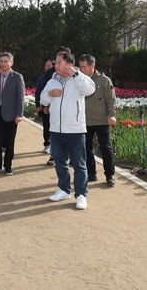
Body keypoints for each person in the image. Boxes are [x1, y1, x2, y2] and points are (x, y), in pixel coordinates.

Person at [40, 52, 95, 210]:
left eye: (59, 63)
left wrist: (76, 74)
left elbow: (89, 90)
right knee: (60, 162)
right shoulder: (52, 81)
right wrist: (50, 94)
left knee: (79, 164)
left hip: (76, 130)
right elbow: (43, 100)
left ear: (69, 64)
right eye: (56, 63)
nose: (56, 66)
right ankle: (64, 190)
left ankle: (81, 195)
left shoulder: (80, 78)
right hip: (56, 130)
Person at [79, 54, 117, 186]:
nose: (82, 69)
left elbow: (111, 100)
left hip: (101, 121)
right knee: (86, 148)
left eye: (84, 67)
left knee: (105, 148)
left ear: (92, 66)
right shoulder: (78, 80)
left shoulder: (104, 80)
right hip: (85, 121)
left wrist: (111, 115)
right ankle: (91, 173)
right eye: (80, 67)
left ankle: (110, 175)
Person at [0, 52, 25, 176]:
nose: (3, 64)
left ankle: (8, 165)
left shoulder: (17, 77)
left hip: (11, 114)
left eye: (5, 61)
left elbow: (20, 98)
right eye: (1, 61)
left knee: (9, 141)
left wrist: (19, 114)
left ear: (11, 63)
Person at [35, 46, 71, 165]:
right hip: (54, 109)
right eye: (58, 57)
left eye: (63, 56)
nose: (59, 61)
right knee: (55, 133)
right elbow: (45, 90)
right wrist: (45, 105)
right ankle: (53, 155)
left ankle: (71, 156)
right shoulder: (51, 72)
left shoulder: (76, 74)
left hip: (71, 113)